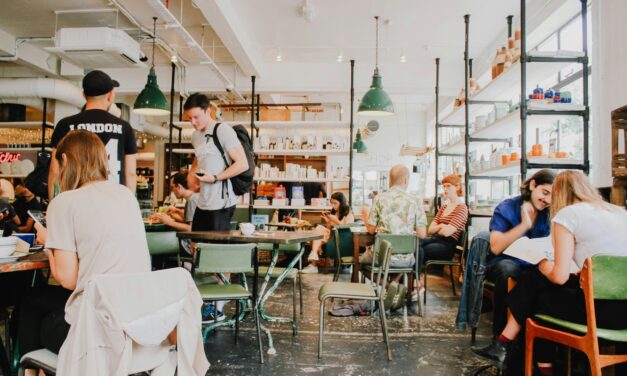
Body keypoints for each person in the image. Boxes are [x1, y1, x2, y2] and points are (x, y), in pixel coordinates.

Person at [18, 130, 150, 376]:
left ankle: (32, 370)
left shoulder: (64, 202)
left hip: (96, 335)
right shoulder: (125, 195)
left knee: (31, 304)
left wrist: (48, 242)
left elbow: (67, 280)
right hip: (135, 325)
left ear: (65, 161)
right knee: (36, 300)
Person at [472, 171, 627, 374]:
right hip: (623, 313)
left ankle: (512, 350)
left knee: (538, 289)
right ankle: (521, 352)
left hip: (597, 313)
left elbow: (559, 276)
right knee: (539, 285)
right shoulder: (620, 212)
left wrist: (545, 265)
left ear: (560, 194)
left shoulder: (568, 215)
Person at [485, 169, 555, 336]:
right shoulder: (506, 207)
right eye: (545, 192)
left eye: (552, 196)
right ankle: (501, 340)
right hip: (505, 263)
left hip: (536, 265)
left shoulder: (550, 214)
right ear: (532, 185)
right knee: (508, 270)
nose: (547, 200)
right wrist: (524, 225)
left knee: (552, 276)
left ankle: (542, 346)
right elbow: (495, 247)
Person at [48, 70, 138, 199]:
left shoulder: (65, 125)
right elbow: (130, 173)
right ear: (110, 95)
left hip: (77, 199)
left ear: (84, 95)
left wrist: (53, 204)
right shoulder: (124, 127)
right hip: (114, 199)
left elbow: (55, 171)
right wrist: (130, 204)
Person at [184, 93, 248, 232]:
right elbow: (200, 155)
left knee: (214, 250)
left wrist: (214, 178)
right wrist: (192, 172)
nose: (193, 122)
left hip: (222, 204)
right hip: (202, 203)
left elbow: (243, 164)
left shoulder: (223, 130)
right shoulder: (195, 136)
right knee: (196, 245)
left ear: (208, 111)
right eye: (189, 118)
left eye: (196, 117)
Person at [361, 164, 427, 297]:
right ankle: (395, 286)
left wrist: (365, 218)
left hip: (382, 257)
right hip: (407, 259)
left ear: (390, 180)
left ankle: (389, 286)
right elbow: (422, 234)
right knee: (402, 259)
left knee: (360, 263)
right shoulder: (415, 200)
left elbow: (372, 230)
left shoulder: (379, 198)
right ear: (406, 180)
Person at [420, 174, 468, 266]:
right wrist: (441, 226)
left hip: (447, 246)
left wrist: (438, 228)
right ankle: (411, 277)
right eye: (444, 187)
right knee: (414, 243)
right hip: (435, 239)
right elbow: (430, 230)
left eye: (448, 186)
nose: (445, 189)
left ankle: (414, 278)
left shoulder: (462, 208)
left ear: (457, 187)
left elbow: (446, 233)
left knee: (419, 249)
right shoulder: (443, 207)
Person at [302, 192, 355, 274]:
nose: (333, 206)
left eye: (335, 203)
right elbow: (329, 228)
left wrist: (335, 220)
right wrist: (327, 220)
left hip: (341, 238)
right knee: (318, 230)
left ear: (342, 203)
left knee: (317, 234)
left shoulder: (348, 213)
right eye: (332, 203)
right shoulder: (334, 212)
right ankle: (314, 257)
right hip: (332, 235)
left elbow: (347, 228)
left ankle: (313, 263)